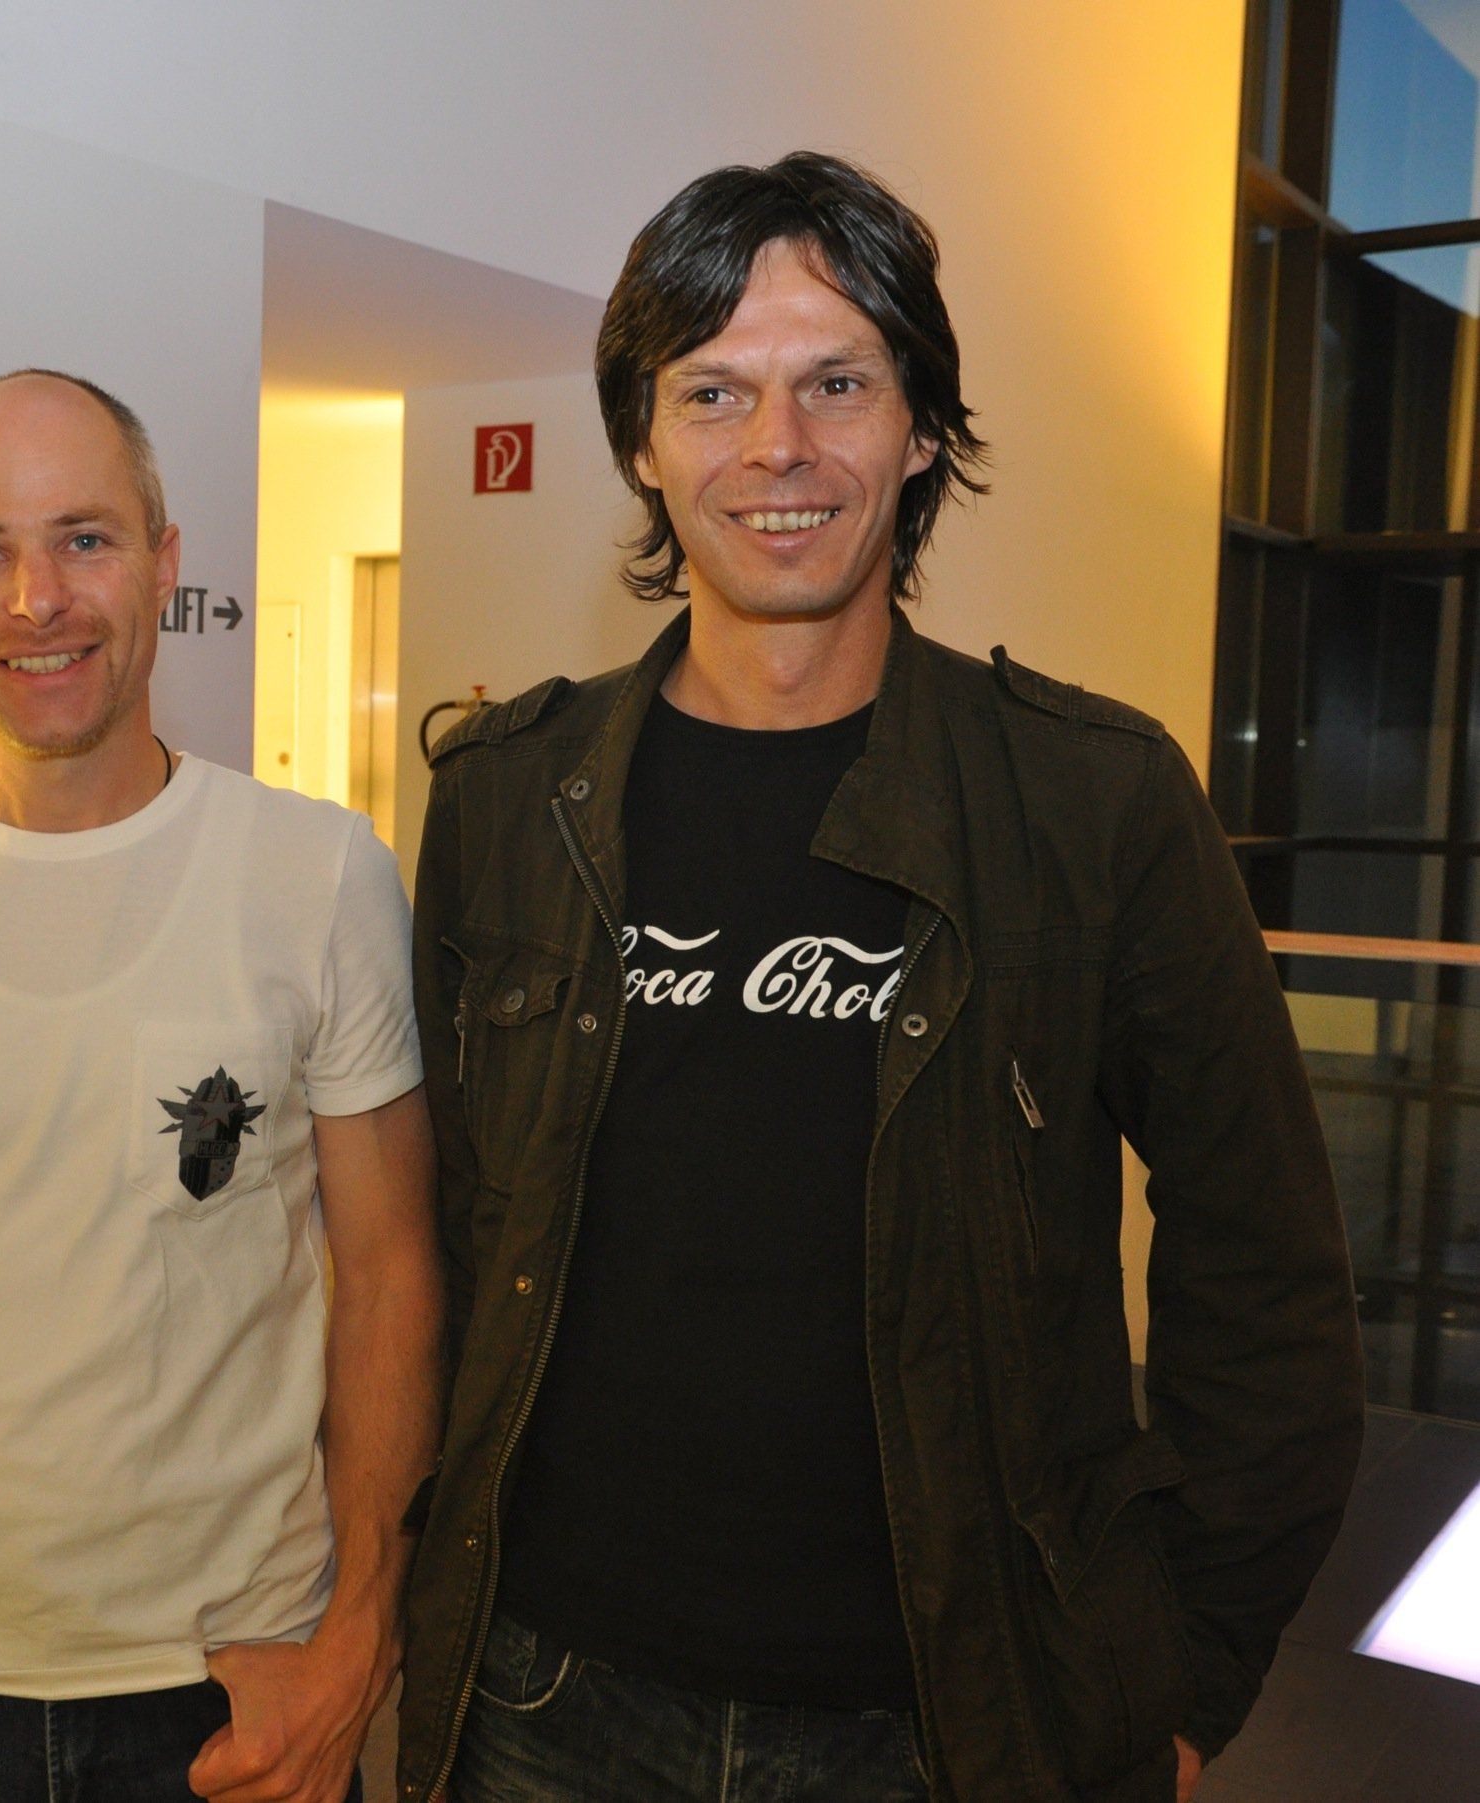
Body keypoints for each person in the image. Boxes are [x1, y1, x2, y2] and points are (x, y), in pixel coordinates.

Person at [399, 154, 1364, 1803]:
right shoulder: (505, 799)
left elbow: (1268, 1281)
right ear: (642, 442)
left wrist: (1181, 1678)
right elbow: (433, 1248)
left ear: (921, 430)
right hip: (544, 1703)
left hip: (950, 1725)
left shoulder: (1096, 803)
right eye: (713, 391)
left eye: (837, 382)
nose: (776, 446)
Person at [0, 370, 442, 1803]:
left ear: (165, 563)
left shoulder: (319, 875)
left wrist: (361, 1642)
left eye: (84, 539)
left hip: (232, 1682)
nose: (36, 597)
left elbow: (392, 1276)